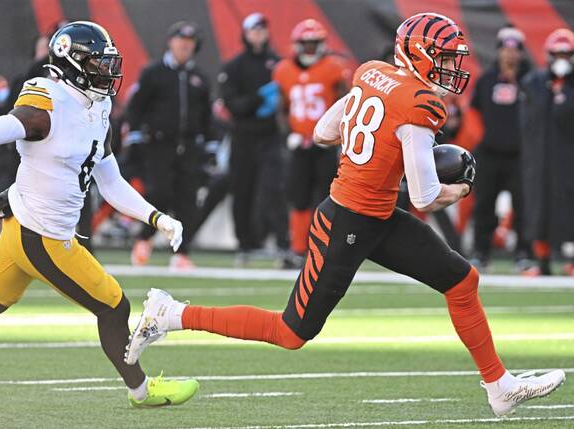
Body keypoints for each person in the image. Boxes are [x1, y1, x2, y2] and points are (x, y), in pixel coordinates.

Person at [125, 13, 565, 416]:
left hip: (377, 216)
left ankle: (498, 385)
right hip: (346, 223)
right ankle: (173, 313)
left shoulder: (370, 73)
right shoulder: (421, 105)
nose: (452, 66)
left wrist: (379, 150)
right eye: (444, 57)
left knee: (461, 279)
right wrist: (459, 186)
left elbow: (322, 132)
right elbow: (427, 196)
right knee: (291, 332)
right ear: (420, 55)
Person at [0, 21, 199, 408]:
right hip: (42, 235)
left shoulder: (98, 104)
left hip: (21, 223)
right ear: (71, 63)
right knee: (114, 306)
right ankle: (142, 391)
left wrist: (156, 217)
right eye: (98, 63)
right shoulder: (47, 102)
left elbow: (108, 178)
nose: (107, 71)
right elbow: (0, 128)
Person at [125, 21, 212, 269]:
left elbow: (206, 115)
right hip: (159, 144)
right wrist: (134, 135)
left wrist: (211, 143)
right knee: (158, 193)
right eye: (180, 40)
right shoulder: (153, 72)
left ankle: (181, 252)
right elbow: (136, 107)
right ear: (170, 42)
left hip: (189, 146)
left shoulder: (199, 78)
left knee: (187, 199)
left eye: (190, 41)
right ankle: (144, 238)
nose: (185, 45)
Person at [273, 19, 351, 267]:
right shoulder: (284, 70)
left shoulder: (334, 68)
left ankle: (326, 248)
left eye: (313, 43)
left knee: (328, 198)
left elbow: (345, 106)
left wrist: (337, 137)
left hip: (326, 146)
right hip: (299, 146)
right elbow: (282, 108)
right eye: (305, 44)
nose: (308, 49)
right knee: (298, 198)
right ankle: (298, 250)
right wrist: (289, 134)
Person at [219, 12, 289, 266]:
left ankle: (283, 244)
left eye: (262, 29)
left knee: (274, 188)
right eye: (254, 30)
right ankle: (245, 244)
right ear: (246, 33)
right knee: (243, 190)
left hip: (270, 136)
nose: (258, 34)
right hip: (244, 137)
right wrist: (257, 100)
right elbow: (232, 105)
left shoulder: (278, 64)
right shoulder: (234, 66)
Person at [470, 27, 532, 272]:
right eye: (506, 49)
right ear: (498, 51)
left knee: (523, 206)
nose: (510, 55)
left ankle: (523, 253)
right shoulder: (486, 79)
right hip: (490, 153)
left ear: (521, 53)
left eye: (515, 50)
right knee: (484, 204)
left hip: (520, 155)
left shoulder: (530, 80)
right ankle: (480, 252)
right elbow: (474, 111)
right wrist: (481, 138)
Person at [520, 28, 574, 276]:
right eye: (557, 53)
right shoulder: (534, 82)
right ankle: (541, 262)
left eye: (566, 53)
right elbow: (532, 117)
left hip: (567, 159)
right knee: (537, 207)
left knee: (568, 208)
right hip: (539, 158)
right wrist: (554, 89)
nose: (561, 58)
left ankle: (571, 261)